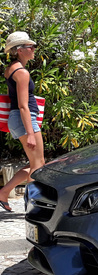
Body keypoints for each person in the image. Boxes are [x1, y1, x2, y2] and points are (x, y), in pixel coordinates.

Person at [0, 31, 45, 212]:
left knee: (37, 164)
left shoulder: (12, 68)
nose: (34, 49)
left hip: (21, 119)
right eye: (30, 47)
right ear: (19, 50)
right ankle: (34, 206)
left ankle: (4, 192)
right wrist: (31, 133)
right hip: (25, 119)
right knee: (39, 166)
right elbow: (23, 105)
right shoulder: (22, 73)